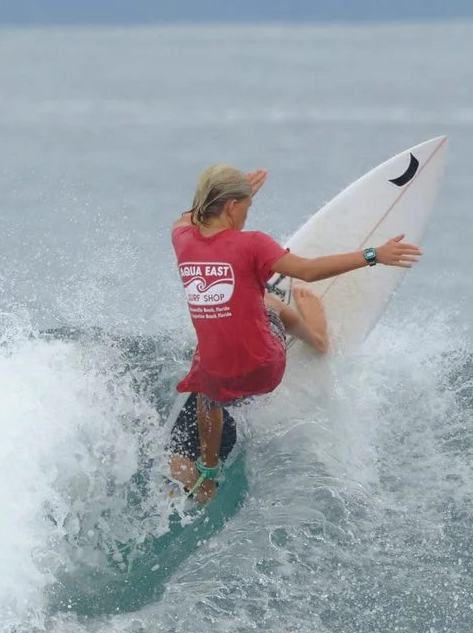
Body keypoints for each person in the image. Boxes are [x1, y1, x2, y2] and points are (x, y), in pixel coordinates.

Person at [170, 163, 422, 502]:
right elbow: (306, 270)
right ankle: (316, 337)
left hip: (216, 377)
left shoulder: (182, 239)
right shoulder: (252, 244)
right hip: (264, 369)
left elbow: (186, 218)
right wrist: (374, 254)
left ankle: (208, 472)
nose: (246, 214)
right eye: (246, 206)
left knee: (207, 391)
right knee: (268, 301)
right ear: (231, 206)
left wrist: (221, 196)